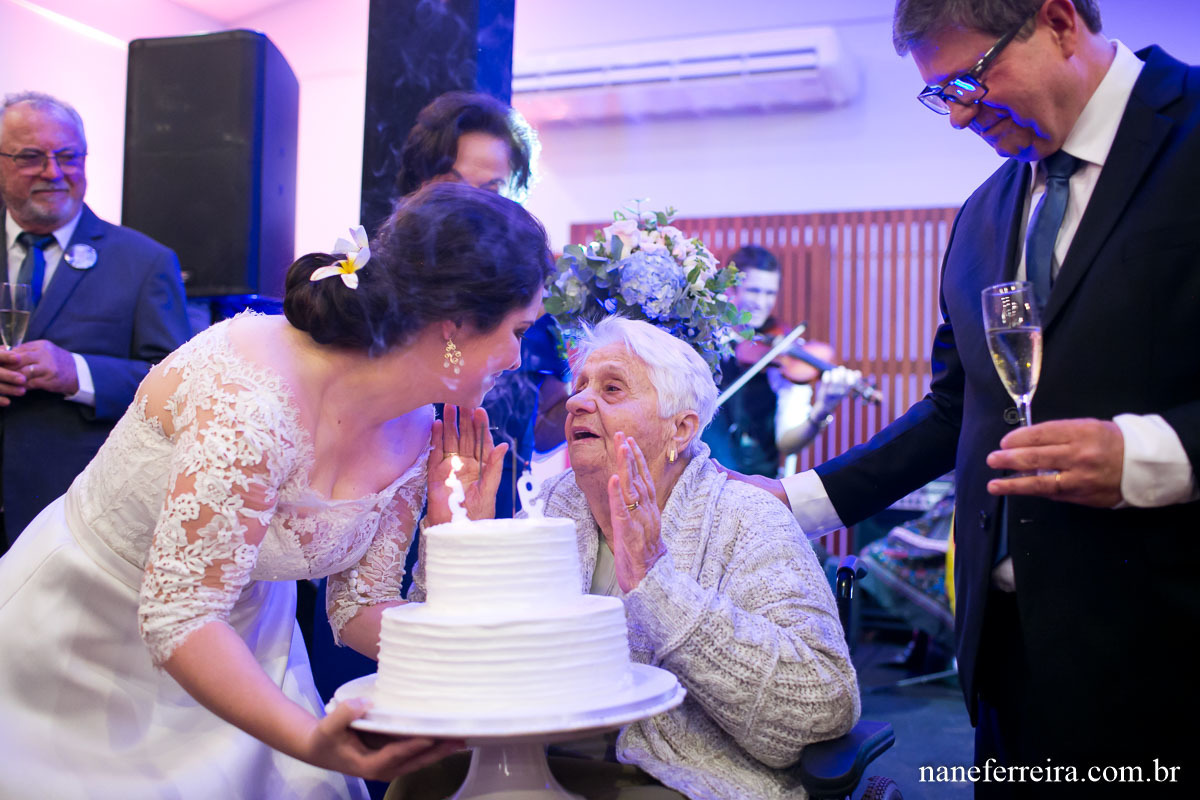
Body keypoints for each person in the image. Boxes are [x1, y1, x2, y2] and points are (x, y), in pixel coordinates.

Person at [728, 1, 1200, 795]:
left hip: (1165, 647)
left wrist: (1155, 457)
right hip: (1007, 656)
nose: (957, 116)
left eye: (970, 80)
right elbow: (956, 407)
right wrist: (795, 500)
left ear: (1056, 20)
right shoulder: (986, 211)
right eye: (939, 94)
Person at [0, 181, 553, 798]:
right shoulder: (252, 404)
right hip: (85, 643)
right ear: (453, 324)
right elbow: (180, 613)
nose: (516, 358)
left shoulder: (416, 424)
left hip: (246, 645)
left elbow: (356, 611)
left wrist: (452, 543)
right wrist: (310, 739)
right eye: (517, 330)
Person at [394, 317, 861, 800]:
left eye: (612, 388)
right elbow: (460, 669)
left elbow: (821, 705)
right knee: (422, 781)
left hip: (681, 776)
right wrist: (458, 542)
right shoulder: (553, 506)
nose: (575, 402)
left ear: (680, 429)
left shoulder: (746, 518)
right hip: (532, 756)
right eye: (578, 387)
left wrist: (657, 586)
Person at [0, 91, 191, 550]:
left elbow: (181, 386)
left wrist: (77, 373)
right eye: (31, 157)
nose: (54, 172)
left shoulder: (144, 261)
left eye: (69, 156)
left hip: (71, 517)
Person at [395, 90, 568, 516]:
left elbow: (543, 429)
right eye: (453, 185)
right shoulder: (386, 286)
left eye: (491, 189)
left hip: (494, 508)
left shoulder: (532, 304)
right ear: (418, 187)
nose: (471, 205)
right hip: (393, 508)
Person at [703, 244, 860, 477]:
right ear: (731, 289)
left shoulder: (783, 360)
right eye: (754, 291)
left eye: (770, 293)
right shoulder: (703, 340)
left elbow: (788, 442)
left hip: (755, 481)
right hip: (700, 475)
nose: (762, 303)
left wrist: (821, 411)